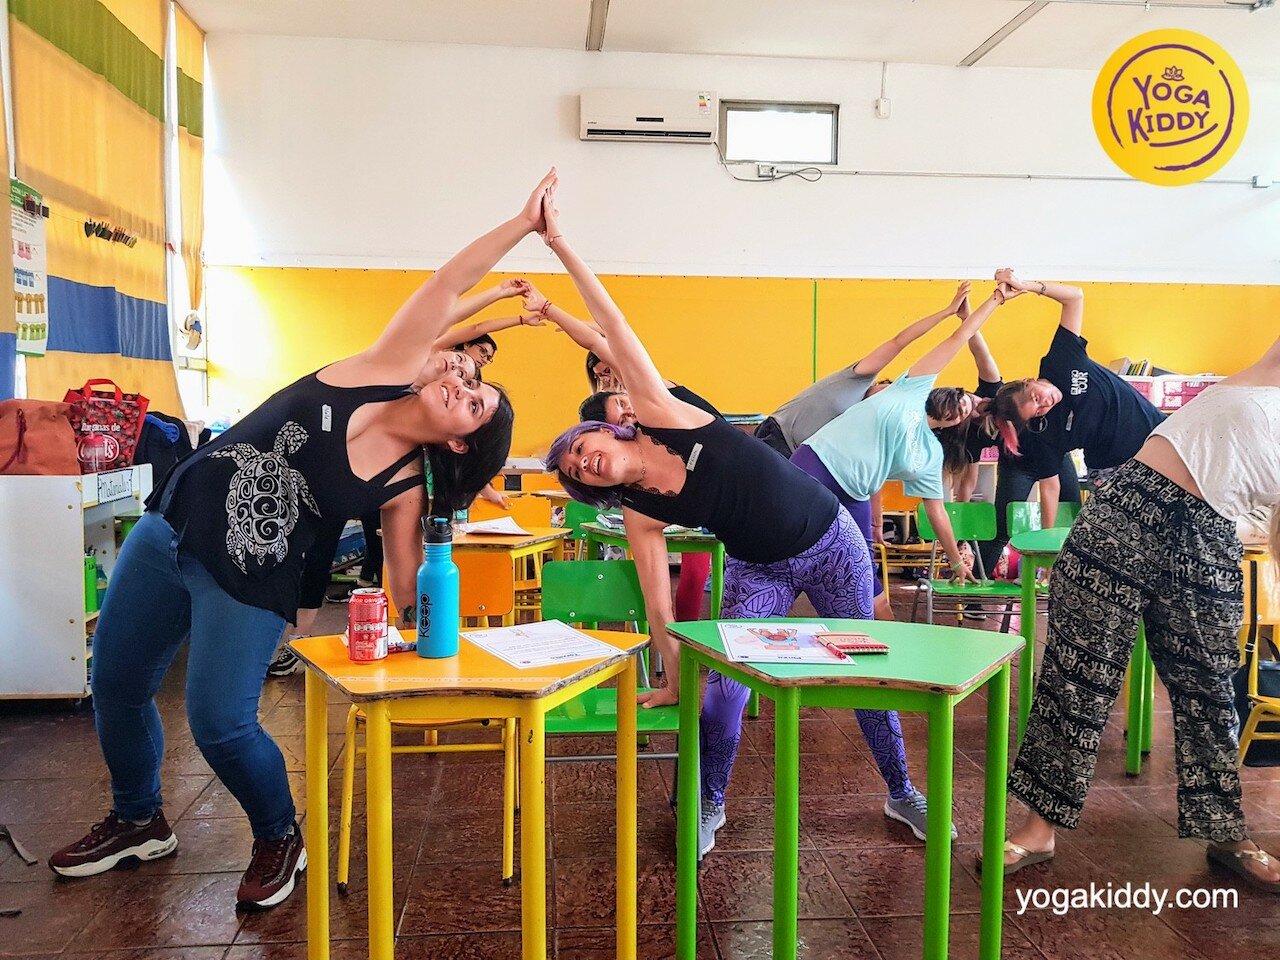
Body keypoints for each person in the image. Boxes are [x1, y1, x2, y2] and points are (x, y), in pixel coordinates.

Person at [47, 169, 557, 908]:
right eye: (471, 382)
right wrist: (522, 223)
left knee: (219, 721)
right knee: (119, 688)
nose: (464, 388)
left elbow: (406, 576)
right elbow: (449, 283)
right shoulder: (380, 371)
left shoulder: (406, 486)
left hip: (253, 576)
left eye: (477, 407)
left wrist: (428, 629)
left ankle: (279, 833)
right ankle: (138, 817)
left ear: (460, 443)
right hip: (173, 526)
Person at [540, 186, 947, 858]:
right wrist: (670, 669)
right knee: (722, 685)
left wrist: (558, 248)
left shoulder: (662, 410)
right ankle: (710, 803)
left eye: (584, 450)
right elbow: (657, 596)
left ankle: (901, 790)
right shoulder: (642, 509)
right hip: (759, 566)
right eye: (577, 473)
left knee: (865, 672)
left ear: (601, 431)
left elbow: (611, 324)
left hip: (830, 543)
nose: (586, 464)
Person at [995, 334, 1280, 894]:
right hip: (1127, 506)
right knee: (1077, 678)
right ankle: (1038, 828)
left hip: (1210, 536)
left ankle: (1225, 830)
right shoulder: (1270, 370)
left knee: (1211, 688)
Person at [789, 283, 1016, 625]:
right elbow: (960, 337)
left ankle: (883, 656)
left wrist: (956, 562)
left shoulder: (929, 455)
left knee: (870, 586)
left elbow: (937, 511)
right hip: (816, 466)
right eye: (962, 394)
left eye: (967, 406)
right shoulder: (912, 387)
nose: (963, 400)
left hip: (855, 495)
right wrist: (994, 301)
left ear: (954, 424)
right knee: (788, 549)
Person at [523, 281, 720, 623]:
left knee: (695, 574)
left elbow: (609, 332)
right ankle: (686, 647)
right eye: (600, 373)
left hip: (725, 483)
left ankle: (689, 643)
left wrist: (552, 311)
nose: (628, 413)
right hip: (694, 503)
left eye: (608, 368)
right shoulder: (610, 431)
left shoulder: (657, 399)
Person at [988, 269, 1164, 532]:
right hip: (1110, 470)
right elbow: (1050, 487)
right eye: (1036, 411)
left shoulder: (1061, 360)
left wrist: (1025, 286)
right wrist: (1047, 544)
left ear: (1030, 380)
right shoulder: (1045, 432)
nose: (1044, 406)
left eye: (1037, 397)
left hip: (1156, 440)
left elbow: (1074, 297)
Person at [948, 328, 1082, 581]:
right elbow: (968, 482)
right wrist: (961, 531)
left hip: (1053, 456)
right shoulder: (970, 437)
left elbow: (981, 353)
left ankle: (1062, 579)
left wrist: (968, 321)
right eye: (965, 410)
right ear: (958, 420)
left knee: (1071, 515)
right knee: (1002, 528)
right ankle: (978, 584)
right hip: (1017, 466)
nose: (974, 405)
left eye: (969, 399)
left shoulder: (996, 391)